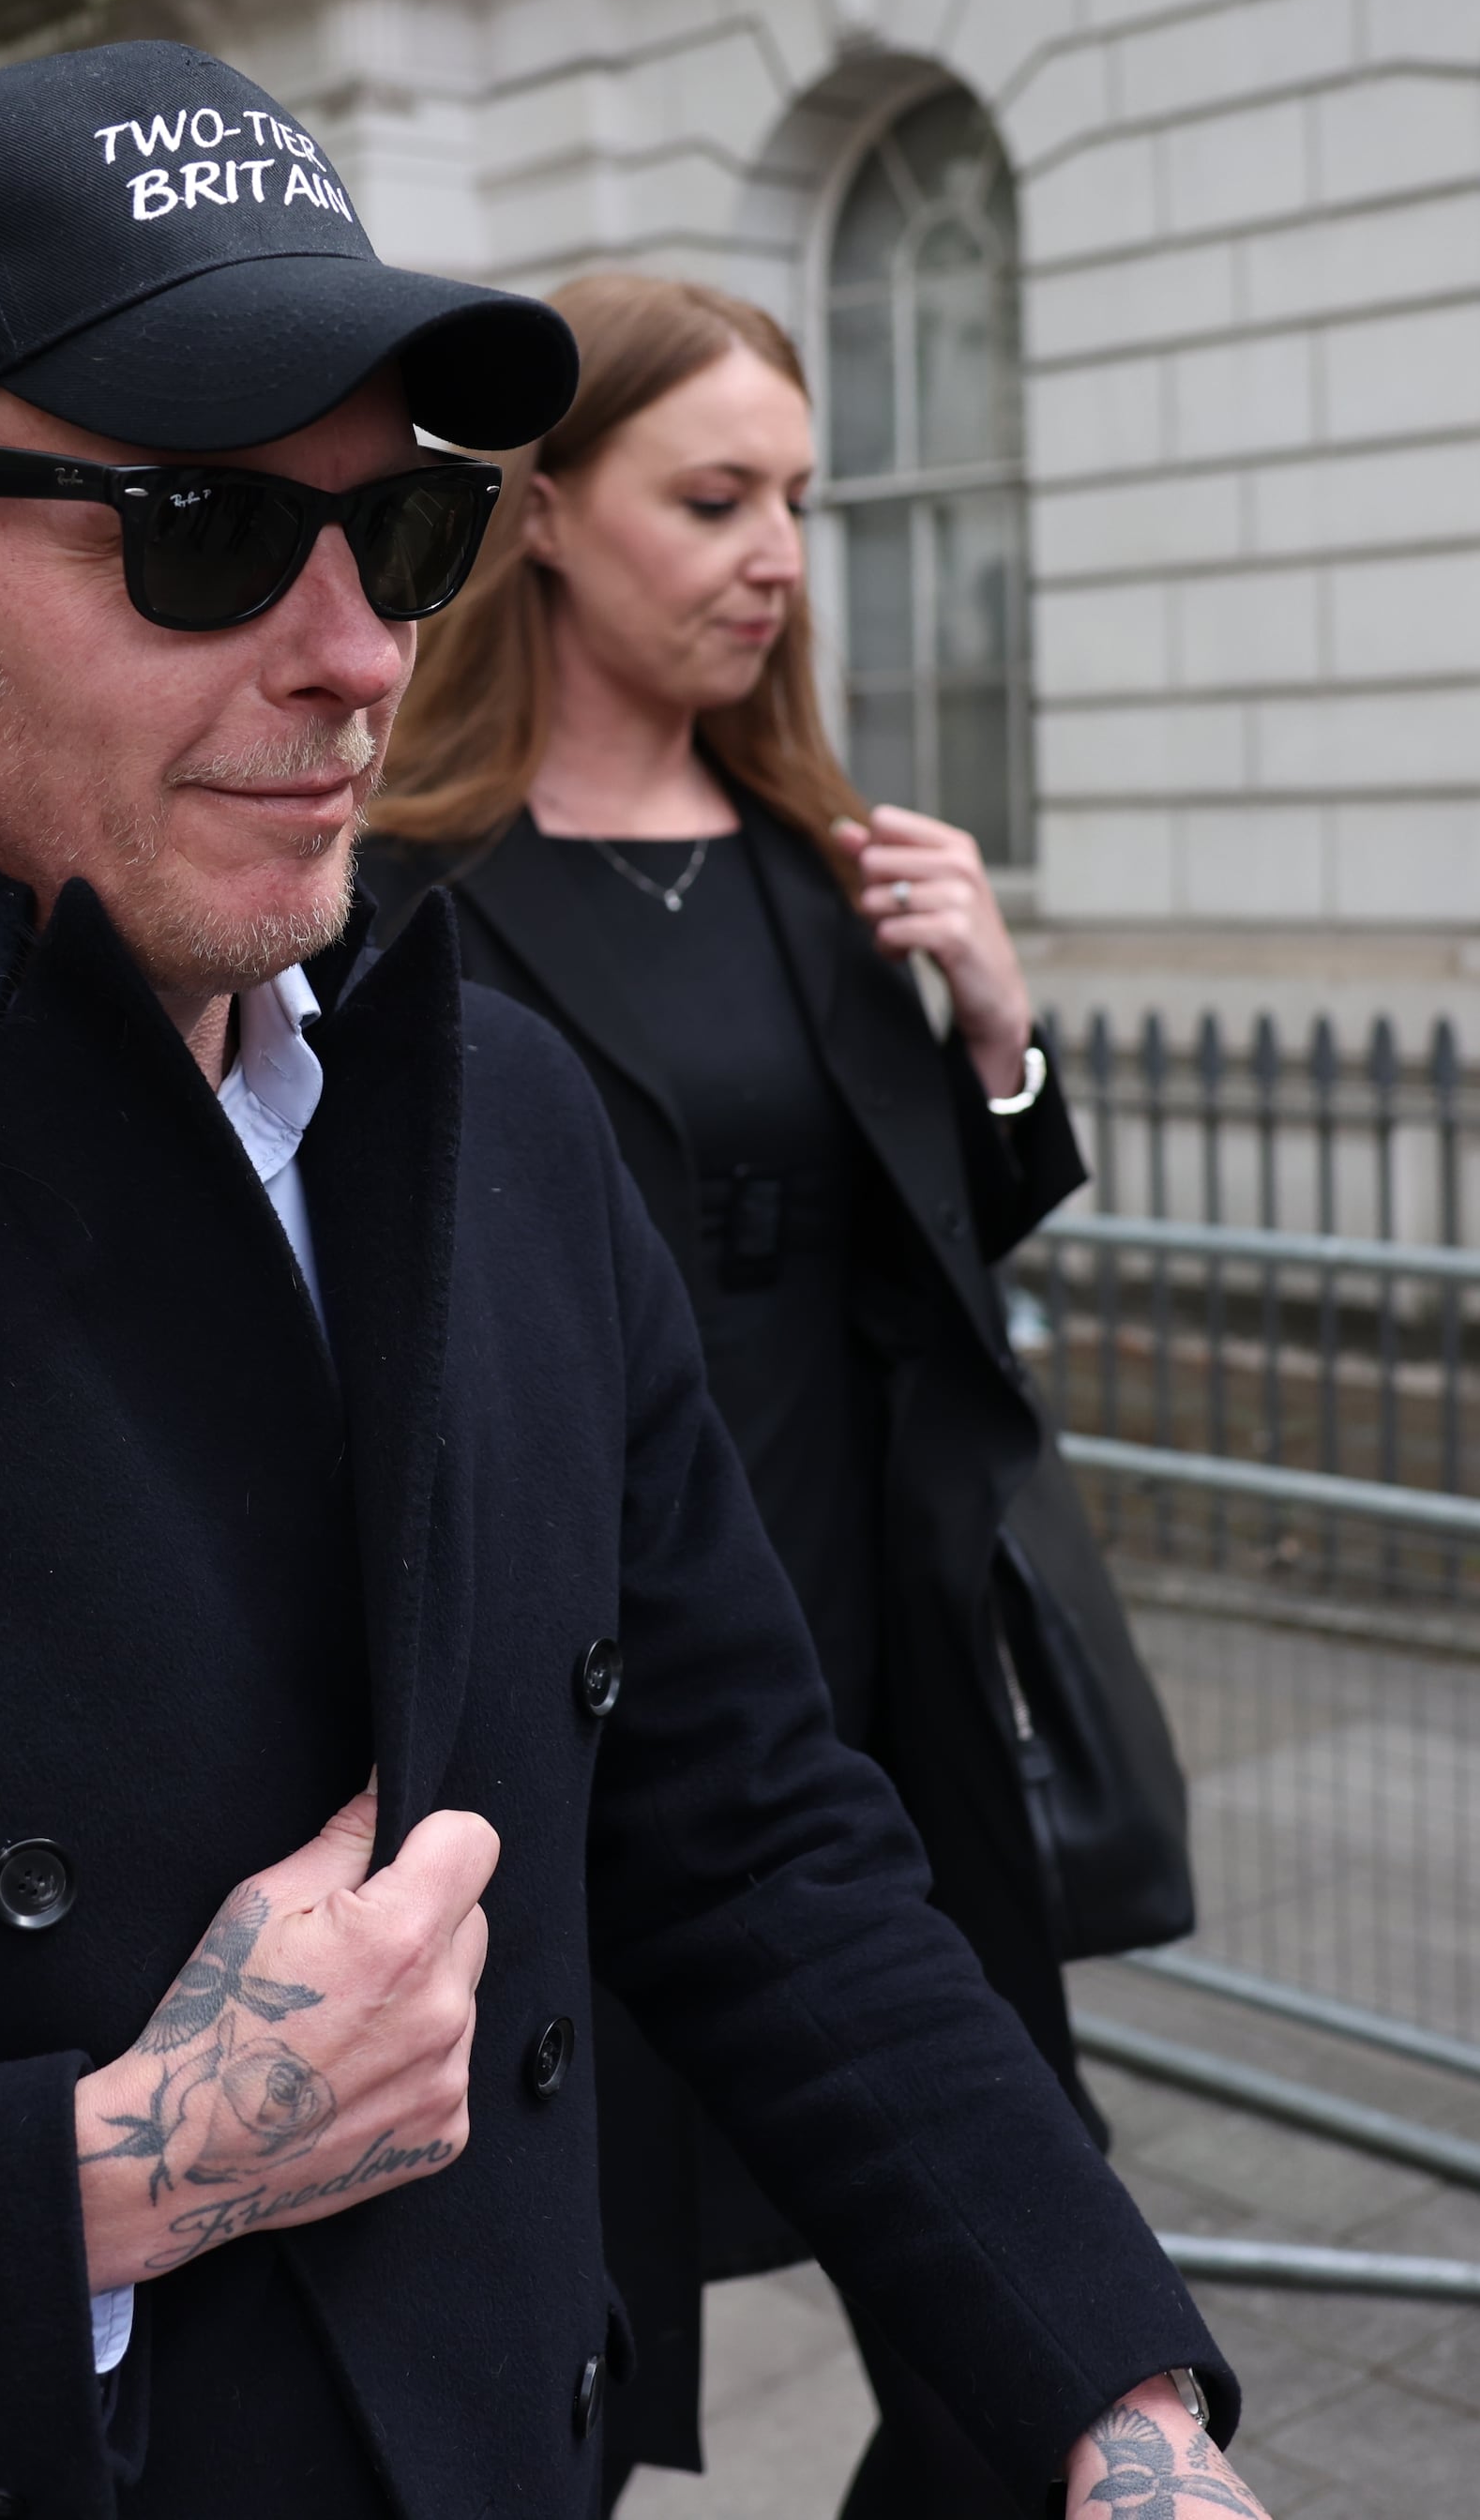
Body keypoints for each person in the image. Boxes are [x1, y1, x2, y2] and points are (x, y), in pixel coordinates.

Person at [0, 40, 1261, 2519]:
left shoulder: (508, 1123)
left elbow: (756, 1826)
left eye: (392, 535)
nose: (354, 650)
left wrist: (1117, 2401)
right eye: (195, 531)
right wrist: (118, 2167)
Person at [358, 272, 1184, 2514]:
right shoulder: (384, 889)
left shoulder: (840, 869)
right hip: (546, 1720)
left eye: (794, 500)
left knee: (1013, 2297)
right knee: (545, 2317)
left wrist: (995, 1028)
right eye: (711, 495)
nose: (777, 553)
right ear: (534, 514)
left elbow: (913, 1268)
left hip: (856, 1694)